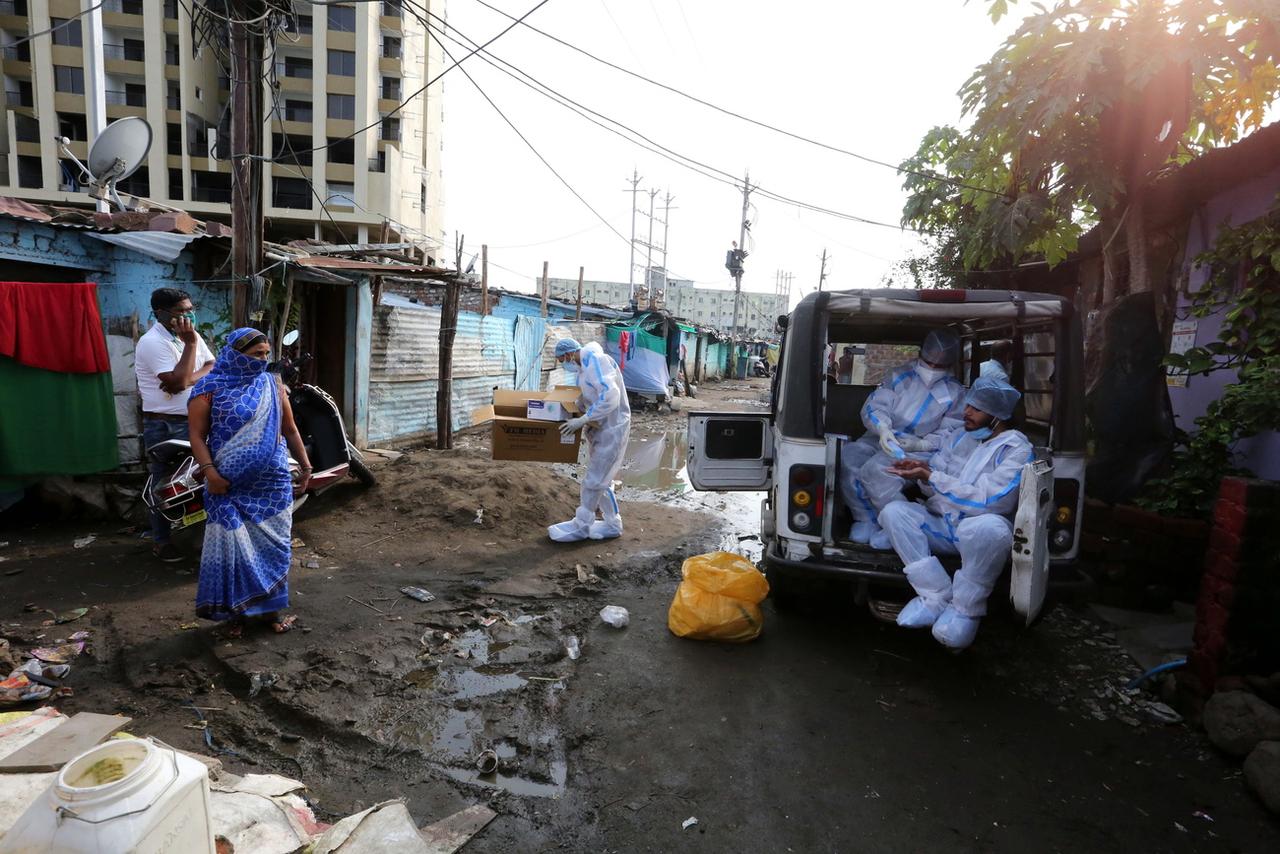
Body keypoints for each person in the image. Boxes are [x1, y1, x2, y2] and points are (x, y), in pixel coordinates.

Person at [877, 376, 1033, 650]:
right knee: (894, 513)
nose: (967, 412)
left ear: (997, 416)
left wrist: (932, 476)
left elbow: (991, 501)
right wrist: (921, 472)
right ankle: (934, 595)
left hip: (974, 537)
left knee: (990, 528)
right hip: (944, 524)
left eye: (976, 408)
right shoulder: (961, 436)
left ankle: (964, 609)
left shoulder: (1017, 450)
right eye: (968, 405)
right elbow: (935, 477)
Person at [188, 328, 312, 637]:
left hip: (271, 486)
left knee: (274, 549)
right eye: (256, 355)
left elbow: (290, 429)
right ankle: (237, 615)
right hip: (226, 486)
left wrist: (307, 465)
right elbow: (196, 436)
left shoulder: (272, 383)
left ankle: (272, 612)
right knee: (235, 548)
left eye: (266, 355)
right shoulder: (209, 386)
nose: (263, 361)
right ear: (235, 354)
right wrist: (210, 473)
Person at [839, 329, 965, 546]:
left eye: (939, 366)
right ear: (921, 356)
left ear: (950, 365)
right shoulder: (899, 376)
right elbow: (876, 406)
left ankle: (897, 523)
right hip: (882, 437)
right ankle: (866, 519)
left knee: (878, 471)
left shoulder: (955, 392)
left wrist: (922, 443)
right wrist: (883, 429)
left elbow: (951, 430)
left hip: (922, 447)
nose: (932, 369)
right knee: (850, 457)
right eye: (929, 362)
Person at [134, 288, 215, 562]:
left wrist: (187, 378)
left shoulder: (191, 334)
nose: (188, 315)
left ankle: (203, 536)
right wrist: (190, 346)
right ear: (161, 313)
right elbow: (177, 383)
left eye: (190, 309)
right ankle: (161, 541)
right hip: (165, 424)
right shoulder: (152, 342)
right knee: (163, 482)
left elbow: (211, 365)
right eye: (181, 311)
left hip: (197, 419)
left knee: (201, 479)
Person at [548, 338, 632, 542]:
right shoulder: (583, 369)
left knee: (594, 480)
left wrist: (585, 418)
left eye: (562, 359)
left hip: (613, 428)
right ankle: (612, 524)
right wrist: (573, 409)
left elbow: (611, 395)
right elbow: (588, 398)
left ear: (569, 354)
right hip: (599, 428)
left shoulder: (596, 361)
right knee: (603, 480)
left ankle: (582, 525)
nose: (563, 364)